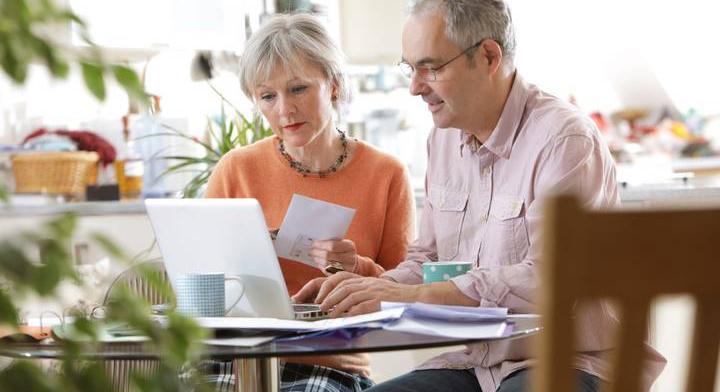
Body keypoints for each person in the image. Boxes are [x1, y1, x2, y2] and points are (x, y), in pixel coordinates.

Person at [293, 1, 666, 391]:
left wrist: (410, 294)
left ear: (488, 56)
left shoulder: (564, 140)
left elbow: (552, 278)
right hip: (476, 362)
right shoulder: (443, 139)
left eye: (431, 67)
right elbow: (430, 261)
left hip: (572, 360)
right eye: (410, 68)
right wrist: (368, 290)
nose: (415, 87)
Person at [204, 13, 415, 392]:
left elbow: (405, 302)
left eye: (298, 88)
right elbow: (199, 281)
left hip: (329, 364)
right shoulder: (236, 169)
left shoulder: (386, 174)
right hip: (236, 358)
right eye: (268, 96)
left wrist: (356, 268)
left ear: (333, 85)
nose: (284, 109)